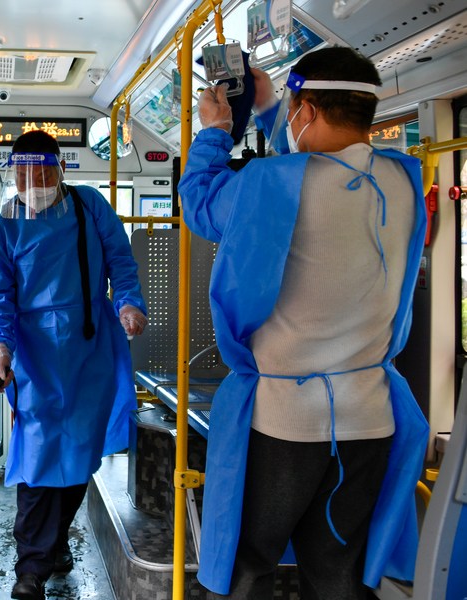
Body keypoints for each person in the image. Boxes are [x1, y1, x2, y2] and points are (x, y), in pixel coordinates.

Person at [177, 46, 429, 599]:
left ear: (308, 110)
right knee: (337, 571)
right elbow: (318, 165)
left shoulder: (268, 183)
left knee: (249, 566)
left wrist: (215, 131)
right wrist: (273, 108)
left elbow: (201, 204)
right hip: (369, 419)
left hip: (285, 423)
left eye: (295, 111)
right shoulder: (404, 182)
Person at [0, 129, 148, 600]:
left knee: (78, 454)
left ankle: (54, 545)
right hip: (34, 356)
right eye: (23, 175)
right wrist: (0, 347)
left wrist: (129, 303)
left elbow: (121, 261)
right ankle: (30, 569)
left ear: (61, 170)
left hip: (90, 348)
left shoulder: (89, 206)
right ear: (12, 175)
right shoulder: (1, 226)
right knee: (37, 459)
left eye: (42, 173)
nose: (32, 183)